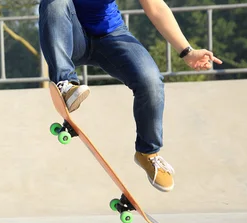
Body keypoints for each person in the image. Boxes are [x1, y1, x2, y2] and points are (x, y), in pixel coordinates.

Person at [39, 0, 222, 192]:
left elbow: (156, 7)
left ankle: (148, 152)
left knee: (150, 81)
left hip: (111, 36)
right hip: (70, 35)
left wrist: (187, 52)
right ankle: (65, 83)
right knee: (55, 2)